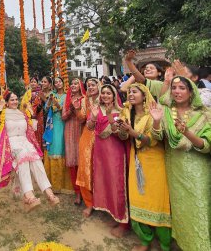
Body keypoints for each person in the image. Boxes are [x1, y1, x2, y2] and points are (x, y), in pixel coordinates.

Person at [150, 76, 211, 251]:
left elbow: (206, 145)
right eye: (174, 88)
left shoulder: (204, 113)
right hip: (175, 169)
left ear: (191, 92)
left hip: (199, 171)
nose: (177, 91)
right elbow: (158, 137)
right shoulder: (166, 111)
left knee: (200, 211)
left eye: (182, 88)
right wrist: (155, 120)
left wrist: (188, 133)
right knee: (182, 211)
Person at [118, 83, 171, 251]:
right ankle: (145, 240)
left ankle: (165, 243)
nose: (131, 94)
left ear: (144, 95)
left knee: (158, 201)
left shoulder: (153, 115)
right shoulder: (127, 113)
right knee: (137, 198)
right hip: (137, 160)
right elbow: (123, 137)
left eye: (135, 92)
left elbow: (152, 140)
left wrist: (132, 132)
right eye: (130, 92)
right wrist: (120, 129)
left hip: (154, 161)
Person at [0, 91, 60, 212]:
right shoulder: (3, 113)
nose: (15, 102)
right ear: (6, 102)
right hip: (10, 143)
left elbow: (33, 128)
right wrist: (0, 107)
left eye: (16, 99)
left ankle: (48, 192)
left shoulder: (22, 114)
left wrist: (31, 113)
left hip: (24, 142)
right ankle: (29, 196)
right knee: (23, 159)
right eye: (12, 100)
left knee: (36, 160)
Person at [87, 84, 129, 237]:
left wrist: (111, 117)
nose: (105, 96)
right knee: (105, 182)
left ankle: (123, 222)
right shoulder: (97, 110)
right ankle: (114, 214)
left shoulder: (121, 112)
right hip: (100, 152)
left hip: (115, 153)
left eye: (108, 93)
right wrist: (92, 117)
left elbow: (122, 136)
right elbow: (90, 128)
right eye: (103, 93)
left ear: (114, 96)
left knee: (117, 184)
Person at [43, 77, 72, 193]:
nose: (57, 83)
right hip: (53, 124)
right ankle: (53, 184)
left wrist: (58, 105)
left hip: (63, 123)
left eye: (59, 81)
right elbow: (46, 108)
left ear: (63, 83)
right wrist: (50, 101)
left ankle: (64, 184)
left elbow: (67, 111)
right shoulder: (52, 94)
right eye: (56, 82)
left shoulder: (67, 96)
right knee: (53, 149)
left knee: (61, 148)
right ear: (54, 84)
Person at [76, 77, 100, 218]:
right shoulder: (85, 100)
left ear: (99, 86)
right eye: (88, 85)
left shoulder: (106, 98)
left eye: (93, 84)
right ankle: (89, 203)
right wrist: (78, 109)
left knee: (99, 169)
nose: (90, 87)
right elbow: (81, 118)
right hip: (87, 136)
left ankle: (101, 201)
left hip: (102, 137)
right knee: (85, 168)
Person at [62, 78, 86, 205]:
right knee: (72, 162)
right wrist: (70, 110)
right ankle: (77, 192)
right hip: (70, 130)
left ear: (81, 86)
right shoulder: (68, 100)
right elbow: (63, 117)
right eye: (72, 83)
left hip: (82, 131)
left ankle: (85, 192)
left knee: (82, 161)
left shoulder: (84, 100)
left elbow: (83, 119)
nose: (73, 85)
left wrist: (76, 110)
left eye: (76, 83)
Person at [21, 77, 44, 150]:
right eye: (31, 82)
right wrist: (26, 106)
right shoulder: (27, 92)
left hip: (39, 114)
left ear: (37, 83)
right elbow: (23, 103)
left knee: (39, 131)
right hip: (29, 115)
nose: (33, 83)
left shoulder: (40, 92)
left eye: (34, 82)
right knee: (31, 133)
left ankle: (40, 151)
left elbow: (41, 103)